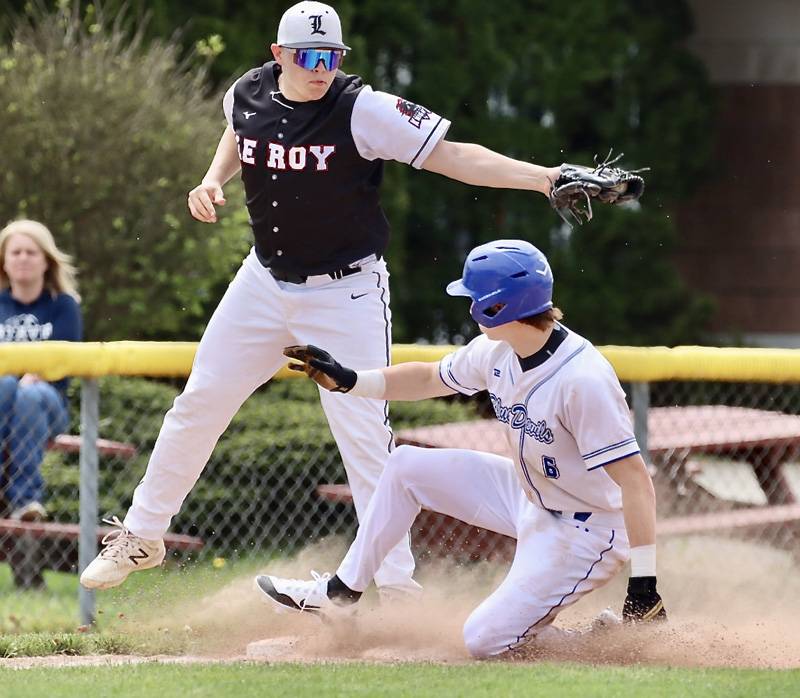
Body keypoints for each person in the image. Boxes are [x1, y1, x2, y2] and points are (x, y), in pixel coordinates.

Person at [80, 1, 562, 592]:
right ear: (277, 55)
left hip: (346, 291)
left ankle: (393, 587)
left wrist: (545, 178)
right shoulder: (247, 91)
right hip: (263, 280)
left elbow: (454, 157)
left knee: (361, 434)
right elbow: (237, 132)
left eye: (331, 56)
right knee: (199, 403)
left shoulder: (362, 109)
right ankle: (143, 535)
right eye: (307, 55)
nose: (321, 67)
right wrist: (211, 179)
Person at [258, 240, 667, 658]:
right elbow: (428, 378)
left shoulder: (582, 380)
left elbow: (636, 483)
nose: (466, 304)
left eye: (472, 297)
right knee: (405, 466)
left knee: (483, 641)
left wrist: (644, 583)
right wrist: (350, 380)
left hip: (586, 529)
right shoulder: (498, 349)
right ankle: (339, 595)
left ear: (495, 308)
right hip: (529, 495)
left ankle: (597, 643)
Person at [0, 220, 82, 522]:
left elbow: (63, 363)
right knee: (7, 386)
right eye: (16, 252)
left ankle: (25, 502)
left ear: (46, 261)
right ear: (4, 262)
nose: (23, 258)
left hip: (48, 404)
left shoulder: (63, 305)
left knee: (29, 395)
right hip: (2, 395)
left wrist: (28, 377)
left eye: (31, 252)